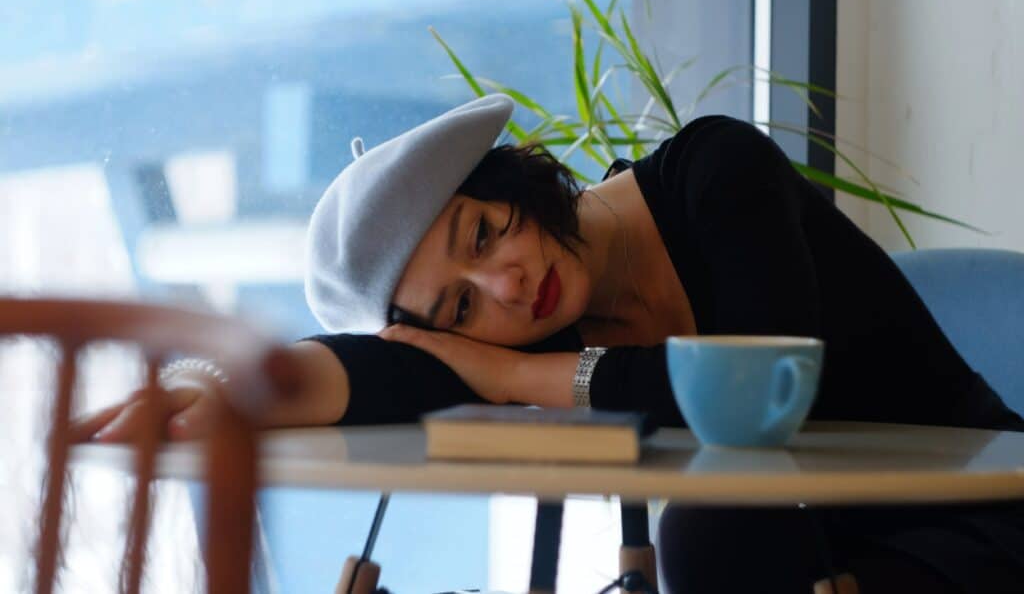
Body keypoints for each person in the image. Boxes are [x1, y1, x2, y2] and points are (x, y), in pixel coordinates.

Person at [72, 95, 1024, 592]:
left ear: (516, 179)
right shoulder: (539, 320)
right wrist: (220, 380)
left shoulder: (716, 171)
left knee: (709, 528)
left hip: (979, 515)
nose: (507, 286)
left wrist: (506, 369)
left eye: (483, 235)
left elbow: (755, 396)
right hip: (822, 540)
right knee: (717, 528)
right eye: (458, 308)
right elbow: (376, 369)